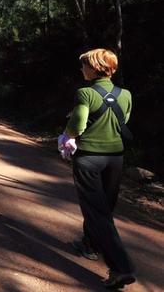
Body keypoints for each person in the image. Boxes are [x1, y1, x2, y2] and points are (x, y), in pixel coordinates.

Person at [59, 48, 135, 289]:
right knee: (105, 207)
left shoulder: (85, 93)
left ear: (94, 68)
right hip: (115, 158)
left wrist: (68, 134)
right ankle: (89, 245)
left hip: (89, 158)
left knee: (96, 211)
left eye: (84, 66)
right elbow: (124, 120)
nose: (82, 69)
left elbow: (77, 126)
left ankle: (121, 268)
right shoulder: (126, 94)